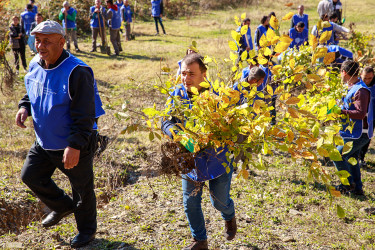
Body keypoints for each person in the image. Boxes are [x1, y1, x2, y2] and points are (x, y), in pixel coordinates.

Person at [15, 20, 98, 248]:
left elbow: (85, 115)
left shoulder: (77, 71)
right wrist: (25, 107)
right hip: (44, 141)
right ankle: (63, 206)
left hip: (72, 143)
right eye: (37, 40)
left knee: (81, 189)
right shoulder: (35, 63)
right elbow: (31, 89)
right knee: (30, 176)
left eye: (47, 41)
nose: (40, 46)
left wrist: (75, 145)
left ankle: (87, 231)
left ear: (62, 42)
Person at [162, 53, 237, 249]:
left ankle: (229, 215)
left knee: (219, 201)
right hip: (190, 158)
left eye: (191, 74)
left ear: (204, 74)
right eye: (183, 73)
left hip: (217, 158)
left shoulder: (218, 97)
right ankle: (200, 240)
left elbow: (232, 127)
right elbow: (166, 121)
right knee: (190, 202)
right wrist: (179, 136)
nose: (186, 78)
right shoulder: (176, 94)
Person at [333, 60, 373, 196]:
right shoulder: (350, 86)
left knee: (337, 155)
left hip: (360, 133)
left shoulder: (361, 91)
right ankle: (357, 189)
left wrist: (340, 111)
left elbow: (361, 113)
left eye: (340, 73)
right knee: (352, 158)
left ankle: (348, 184)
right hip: (351, 132)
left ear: (344, 72)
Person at [359, 66, 375, 167]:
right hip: (362, 115)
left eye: (370, 78)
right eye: (365, 78)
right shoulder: (358, 84)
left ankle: (361, 158)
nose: (367, 80)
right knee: (362, 136)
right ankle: (359, 158)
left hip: (373, 115)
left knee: (368, 136)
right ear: (361, 75)